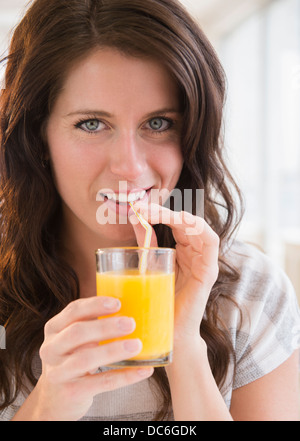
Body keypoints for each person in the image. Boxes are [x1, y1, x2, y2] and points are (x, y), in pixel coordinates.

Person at [0, 0, 299, 421]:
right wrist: (48, 406)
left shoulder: (250, 292)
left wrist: (185, 348)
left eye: (158, 123)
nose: (130, 167)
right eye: (91, 123)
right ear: (38, 137)